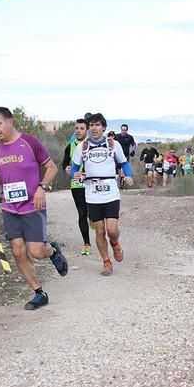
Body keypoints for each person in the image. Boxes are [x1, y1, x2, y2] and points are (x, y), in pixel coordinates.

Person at [0, 107, 68, 311]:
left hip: (32, 206)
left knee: (36, 251)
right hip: (10, 208)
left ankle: (52, 251)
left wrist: (41, 188)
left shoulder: (29, 142)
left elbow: (51, 168)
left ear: (10, 122)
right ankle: (39, 293)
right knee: (18, 252)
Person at [70, 113, 133, 276]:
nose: (94, 128)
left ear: (103, 127)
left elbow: (124, 163)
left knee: (111, 230)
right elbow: (74, 169)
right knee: (99, 231)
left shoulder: (113, 144)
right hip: (92, 193)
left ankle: (115, 243)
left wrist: (128, 175)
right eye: (91, 125)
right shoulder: (81, 147)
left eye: (97, 125)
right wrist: (75, 174)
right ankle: (106, 262)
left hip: (111, 192)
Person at [61, 118, 91, 255]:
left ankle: (93, 220)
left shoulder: (92, 145)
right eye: (77, 128)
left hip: (92, 183)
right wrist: (66, 169)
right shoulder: (70, 146)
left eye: (81, 128)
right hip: (77, 184)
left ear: (87, 130)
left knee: (92, 213)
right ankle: (87, 244)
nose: (78, 131)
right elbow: (64, 163)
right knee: (82, 213)